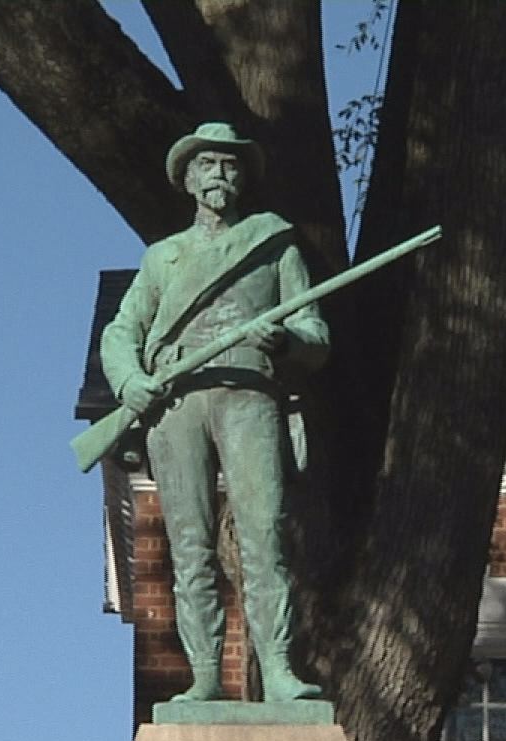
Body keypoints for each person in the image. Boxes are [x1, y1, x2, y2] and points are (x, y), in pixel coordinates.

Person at [99, 122, 328, 703]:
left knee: (265, 538)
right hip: (178, 403)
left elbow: (314, 331)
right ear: (189, 180)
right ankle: (203, 674)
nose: (220, 176)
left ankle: (277, 669)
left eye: (229, 166)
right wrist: (130, 382)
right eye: (208, 167)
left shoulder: (273, 242)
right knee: (191, 546)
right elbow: (122, 332)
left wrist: (284, 340)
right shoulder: (163, 259)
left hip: (251, 392)